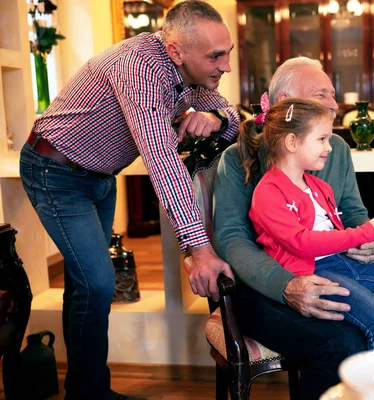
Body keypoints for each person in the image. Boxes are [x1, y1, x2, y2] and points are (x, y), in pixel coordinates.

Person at [19, 1, 238, 399]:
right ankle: (90, 393)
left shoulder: (191, 72)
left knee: (83, 285)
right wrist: (199, 249)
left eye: (228, 53)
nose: (225, 66)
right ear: (176, 50)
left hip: (99, 177)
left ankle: (86, 391)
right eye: (215, 56)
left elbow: (232, 119)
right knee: (98, 283)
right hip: (55, 171)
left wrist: (217, 120)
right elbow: (162, 161)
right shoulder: (140, 67)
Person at [213, 57, 374, 399]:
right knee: (341, 342)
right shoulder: (236, 159)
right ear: (284, 105)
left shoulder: (336, 147)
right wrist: (287, 285)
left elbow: (354, 213)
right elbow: (232, 240)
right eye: (321, 95)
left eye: (333, 95)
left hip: (331, 270)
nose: (335, 106)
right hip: (261, 286)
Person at [241, 97, 374, 380]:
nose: (329, 147)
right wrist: (364, 232)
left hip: (346, 261)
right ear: (291, 143)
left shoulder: (319, 185)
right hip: (317, 271)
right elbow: (302, 242)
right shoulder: (268, 192)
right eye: (322, 139)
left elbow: (337, 233)